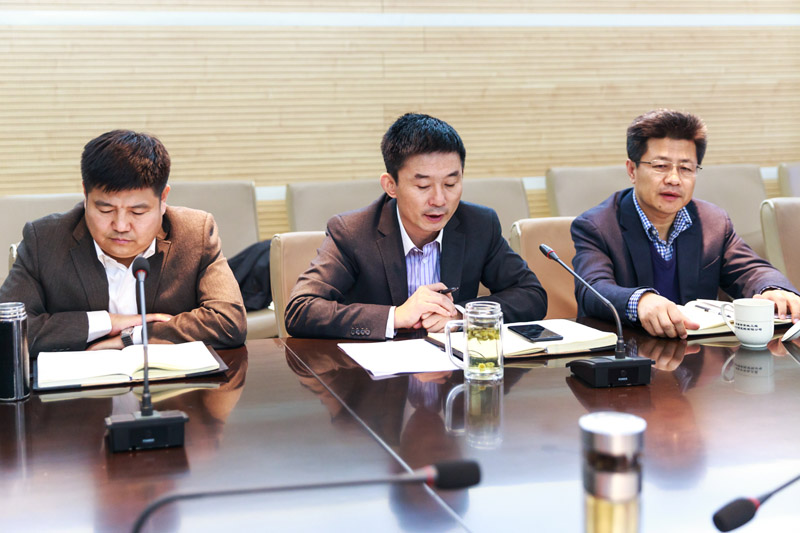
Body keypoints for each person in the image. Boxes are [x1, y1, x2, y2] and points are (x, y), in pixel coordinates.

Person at [285, 113, 547, 339]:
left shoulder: (479, 224)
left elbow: (531, 294)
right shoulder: (352, 232)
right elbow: (301, 309)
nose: (439, 200)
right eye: (423, 186)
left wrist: (460, 315)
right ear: (391, 186)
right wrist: (396, 316)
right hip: (377, 375)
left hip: (452, 372)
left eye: (450, 184)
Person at [0, 130, 247, 355]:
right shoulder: (44, 240)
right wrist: (107, 323)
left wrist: (131, 337)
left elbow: (229, 321)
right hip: (78, 388)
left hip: (172, 387)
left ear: (163, 199)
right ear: (85, 194)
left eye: (137, 212)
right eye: (105, 209)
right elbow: (7, 330)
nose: (120, 225)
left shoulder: (194, 233)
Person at [571, 109, 800, 339]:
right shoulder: (597, 226)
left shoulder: (713, 222)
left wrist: (773, 289)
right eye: (660, 166)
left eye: (685, 168)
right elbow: (592, 289)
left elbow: (751, 270)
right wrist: (640, 301)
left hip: (698, 351)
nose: (674, 179)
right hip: (628, 352)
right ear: (632, 170)